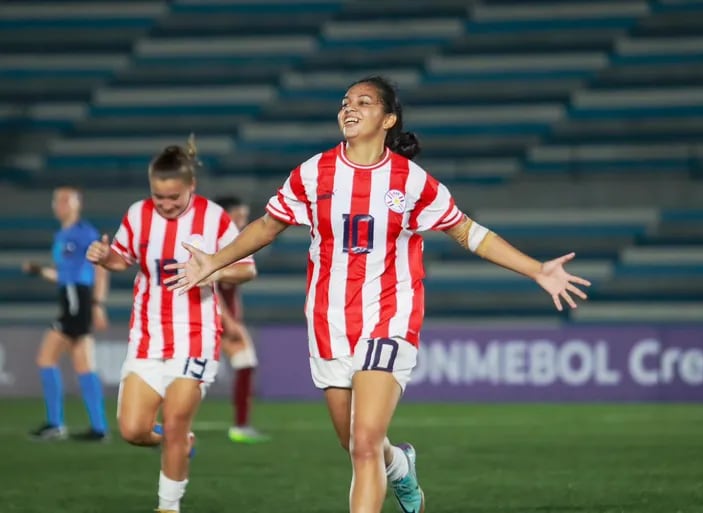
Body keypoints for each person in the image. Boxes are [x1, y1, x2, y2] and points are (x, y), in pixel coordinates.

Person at [165, 76, 591, 513]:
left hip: (390, 316)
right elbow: (268, 226)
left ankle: (391, 463)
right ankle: (401, 464)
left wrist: (536, 269)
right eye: (345, 102)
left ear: (388, 119)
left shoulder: (410, 181)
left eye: (363, 103)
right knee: (356, 444)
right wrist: (214, 260)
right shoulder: (314, 172)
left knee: (365, 442)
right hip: (329, 322)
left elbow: (468, 233)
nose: (349, 108)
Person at [86, 137, 256, 513]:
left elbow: (247, 269)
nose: (165, 205)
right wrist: (104, 257)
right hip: (146, 338)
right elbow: (122, 259)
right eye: (158, 197)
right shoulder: (137, 214)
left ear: (190, 186)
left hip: (196, 337)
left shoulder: (214, 218)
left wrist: (212, 267)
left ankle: (168, 506)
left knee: (175, 422)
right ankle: (182, 442)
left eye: (173, 197)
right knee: (133, 430)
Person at [24, 186, 110, 442]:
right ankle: (98, 427)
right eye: (57, 200)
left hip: (78, 300)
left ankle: (56, 423)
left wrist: (97, 303)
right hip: (71, 298)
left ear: (77, 204)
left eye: (65, 200)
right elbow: (62, 274)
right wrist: (39, 271)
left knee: (46, 357)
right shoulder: (62, 235)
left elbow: (102, 267)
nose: (59, 205)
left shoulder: (85, 233)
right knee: (83, 362)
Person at [212, 195, 269, 444]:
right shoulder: (214, 242)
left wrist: (236, 316)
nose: (243, 221)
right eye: (239, 215)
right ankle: (240, 426)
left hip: (223, 316)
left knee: (245, 363)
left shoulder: (234, 243)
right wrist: (228, 320)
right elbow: (211, 285)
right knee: (187, 373)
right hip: (209, 315)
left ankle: (241, 425)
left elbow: (231, 287)